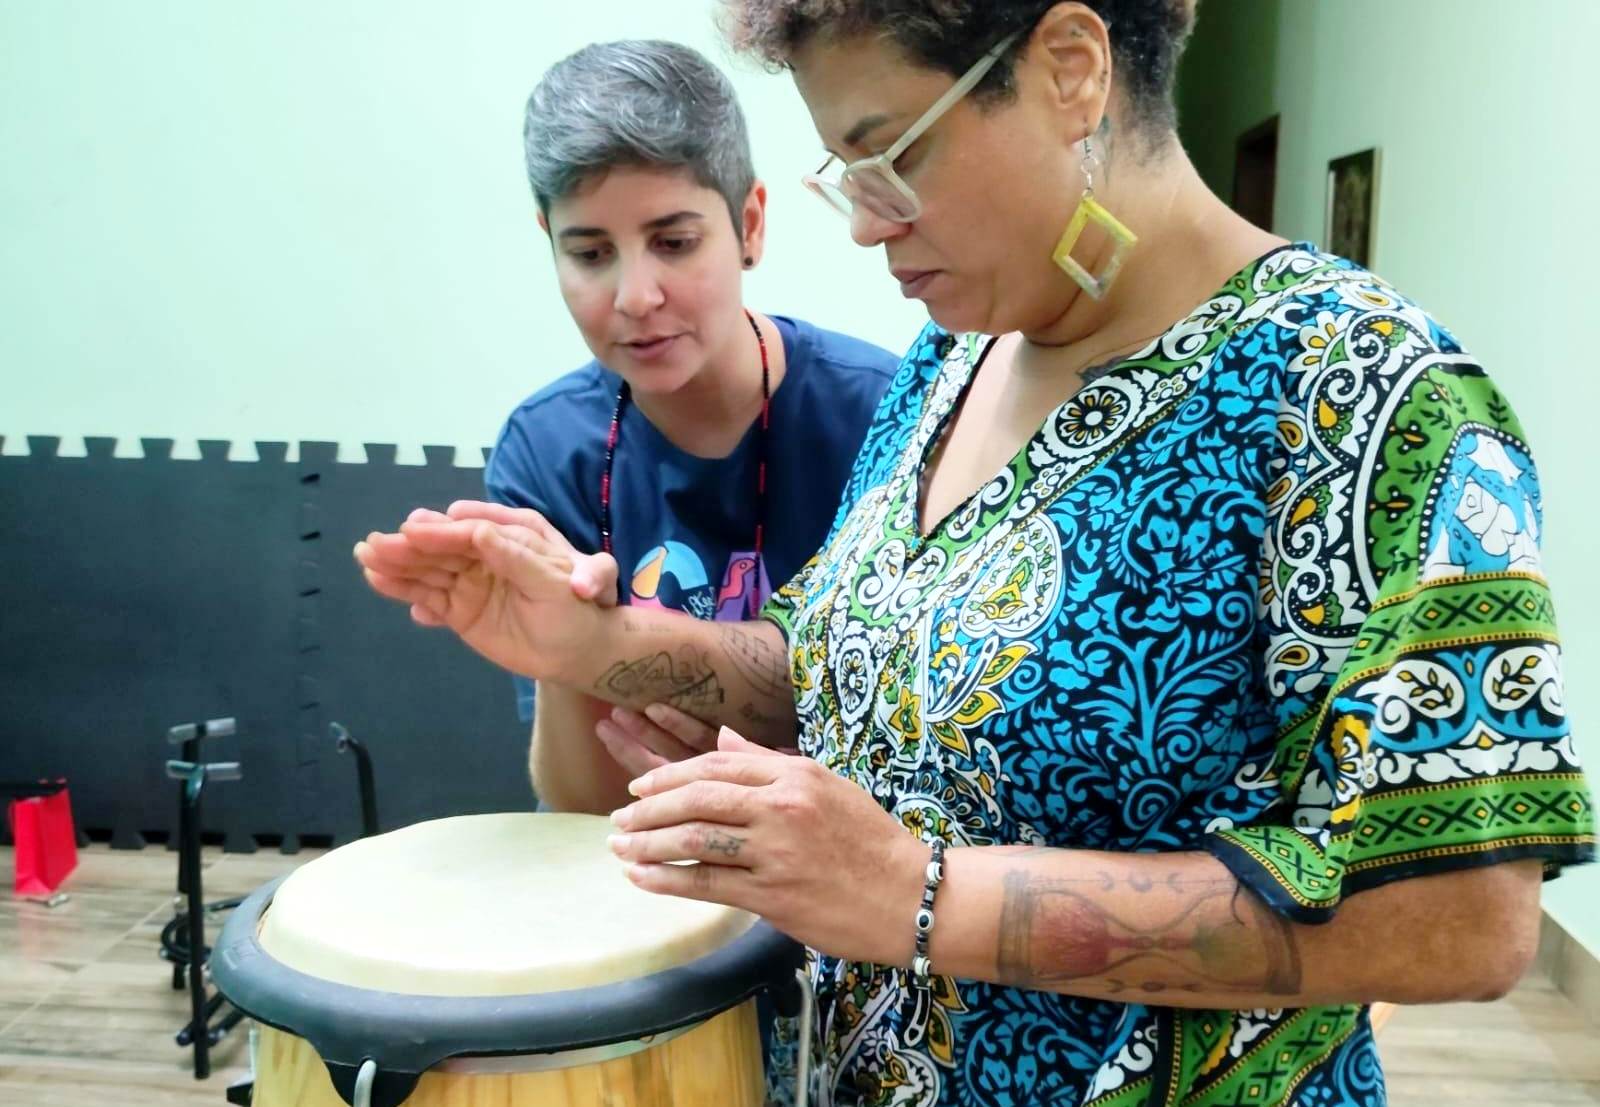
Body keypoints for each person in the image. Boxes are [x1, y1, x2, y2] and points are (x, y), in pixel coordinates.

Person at [357, 3, 1595, 1103]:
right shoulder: (958, 361)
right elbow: (829, 675)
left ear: (1067, 69)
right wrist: (601, 644)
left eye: (892, 154)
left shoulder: (1359, 393)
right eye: (846, 172)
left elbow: (1460, 920)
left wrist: (917, 894)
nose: (865, 224)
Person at [482, 40, 900, 814]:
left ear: (749, 224)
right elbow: (581, 801)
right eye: (591, 252)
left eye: (674, 243)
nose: (636, 295)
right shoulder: (547, 449)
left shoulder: (883, 413)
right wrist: (559, 639)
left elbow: (908, 748)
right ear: (550, 243)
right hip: (629, 861)